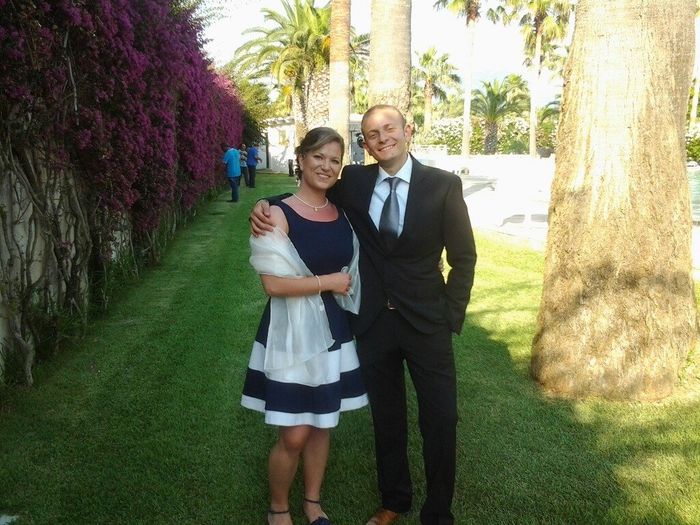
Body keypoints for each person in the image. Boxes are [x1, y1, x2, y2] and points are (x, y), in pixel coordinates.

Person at [251, 105, 477, 525]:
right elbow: (309, 193)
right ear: (366, 144)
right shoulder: (353, 182)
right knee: (387, 418)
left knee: (441, 418)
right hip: (374, 324)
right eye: (372, 134)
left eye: (389, 128)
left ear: (407, 131)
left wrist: (450, 314)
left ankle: (438, 513)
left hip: (427, 324)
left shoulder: (443, 185)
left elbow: (464, 258)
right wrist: (266, 204)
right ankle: (394, 500)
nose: (382, 137)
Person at [242, 127, 368, 525]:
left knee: (322, 424)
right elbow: (273, 285)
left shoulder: (343, 214)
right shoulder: (276, 213)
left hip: (333, 330)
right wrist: (329, 282)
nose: (326, 166)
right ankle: (278, 507)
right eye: (318, 157)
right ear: (301, 158)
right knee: (294, 433)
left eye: (334, 160)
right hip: (292, 331)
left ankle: (313, 503)